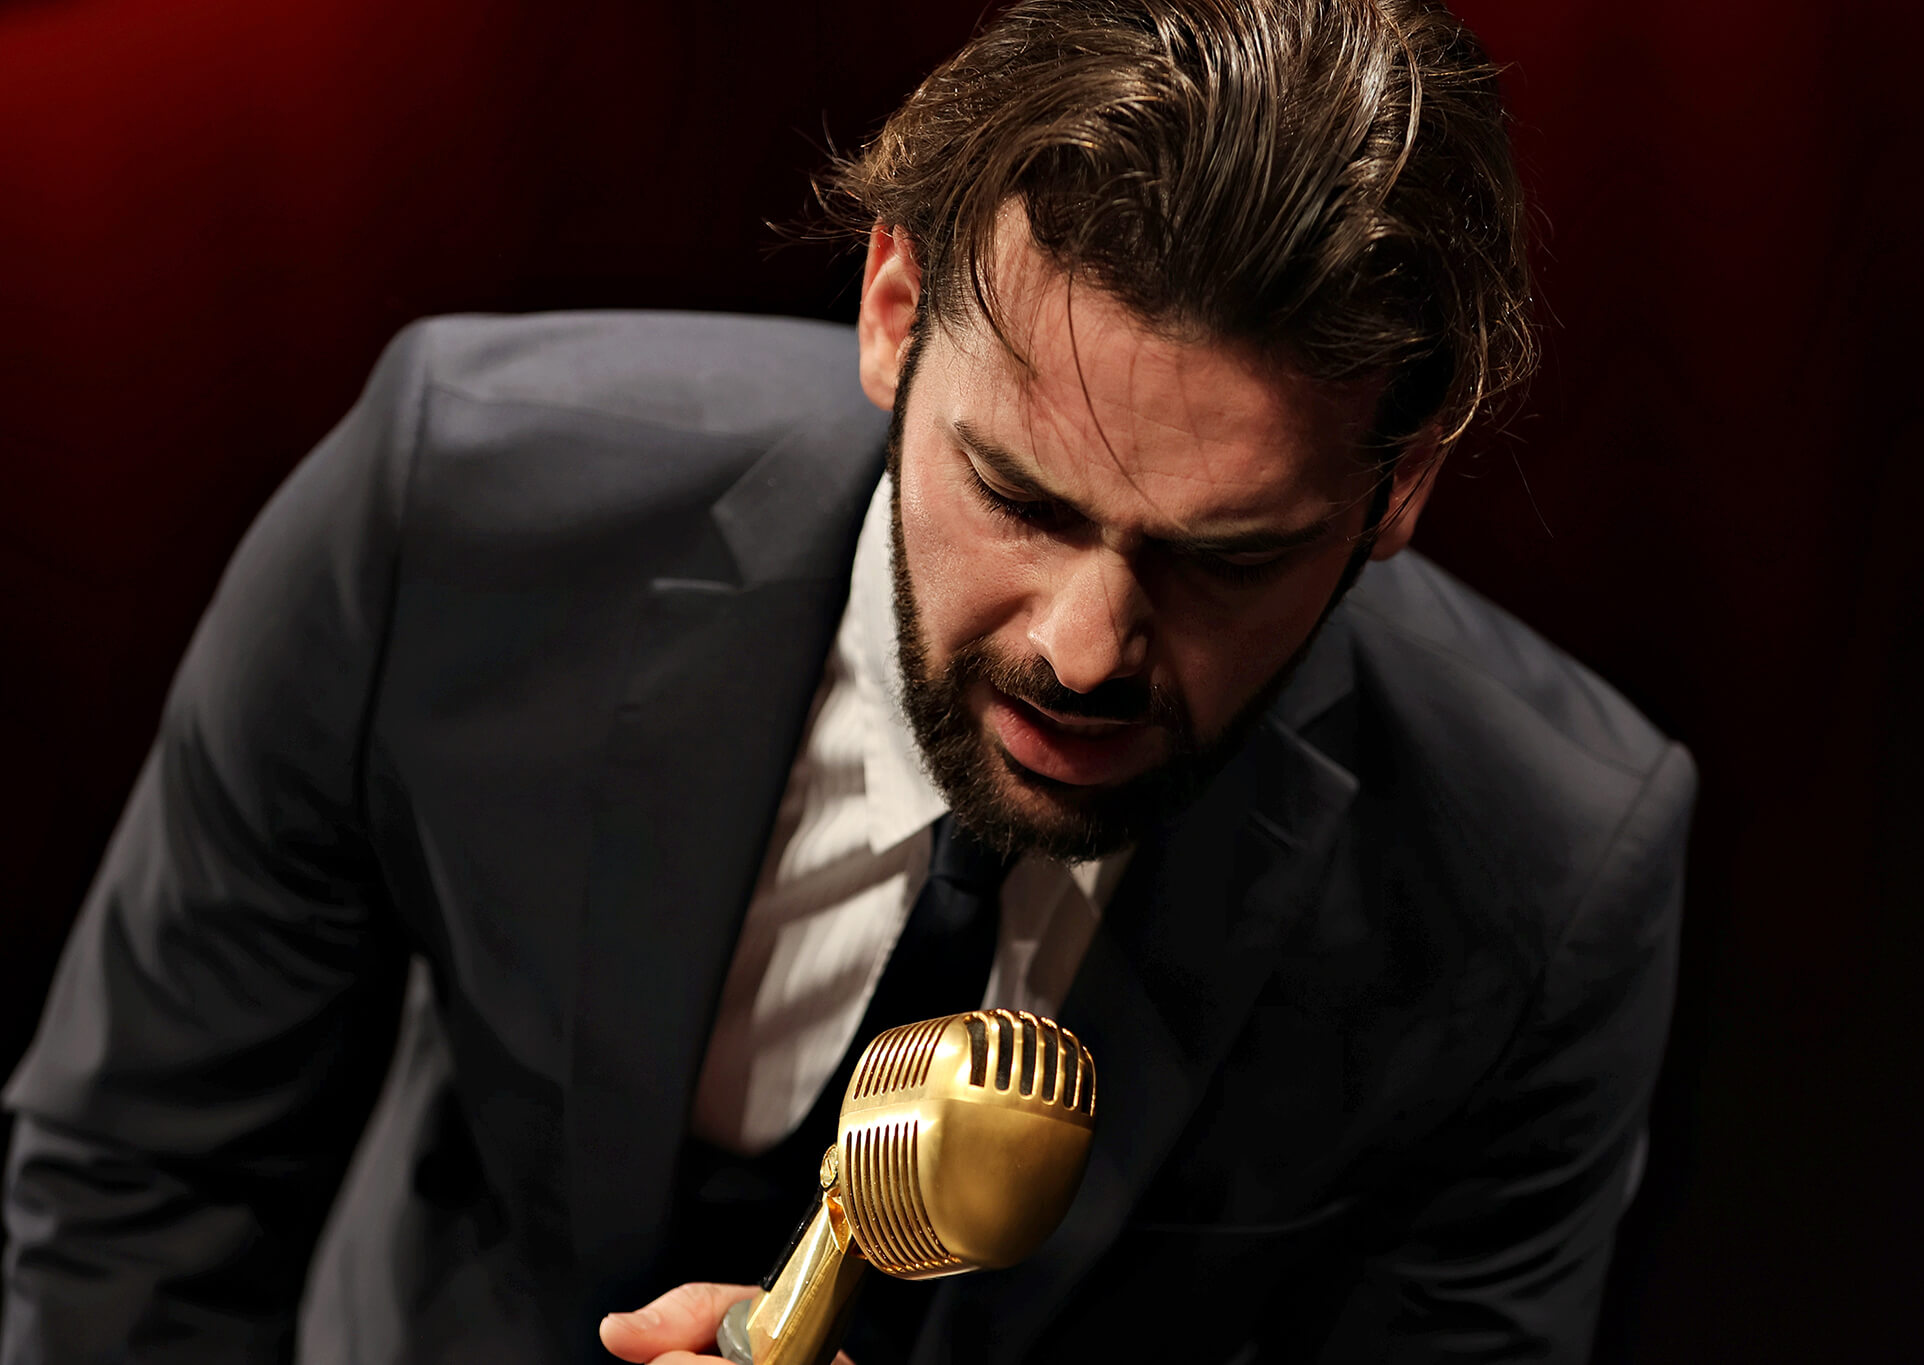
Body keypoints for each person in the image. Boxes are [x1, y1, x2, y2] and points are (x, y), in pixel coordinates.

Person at [2, 1, 1695, 1362]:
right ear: (892, 305)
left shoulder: (1547, 874)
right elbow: (145, 1183)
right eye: (1022, 497)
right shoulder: (446, 509)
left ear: (1400, 487)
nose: (1083, 647)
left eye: (1225, 559)